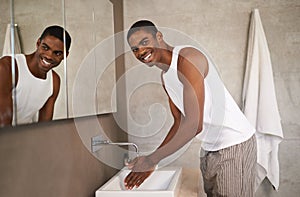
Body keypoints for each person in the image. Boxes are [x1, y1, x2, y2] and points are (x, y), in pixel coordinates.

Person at [124, 20, 257, 197]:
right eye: (134, 49)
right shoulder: (165, 77)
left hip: (234, 142)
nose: (140, 51)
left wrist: (151, 160)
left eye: (144, 42)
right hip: (209, 148)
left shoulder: (188, 58)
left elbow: (194, 125)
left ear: (159, 36)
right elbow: (179, 122)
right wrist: (153, 160)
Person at [0, 25, 71, 127]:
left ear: (65, 55)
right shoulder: (8, 67)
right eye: (45, 48)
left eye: (57, 53)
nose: (49, 56)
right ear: (38, 43)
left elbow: (44, 128)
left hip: (17, 137)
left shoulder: (54, 81)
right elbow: (3, 126)